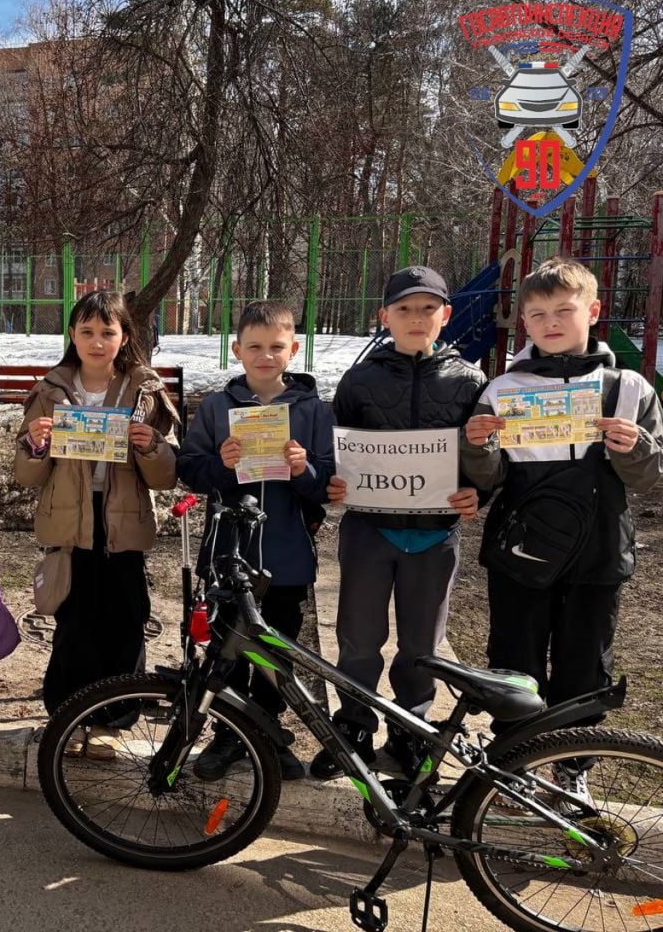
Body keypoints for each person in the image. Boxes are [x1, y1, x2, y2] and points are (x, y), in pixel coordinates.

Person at [462, 257, 663, 795]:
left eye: (563, 311)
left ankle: (572, 770)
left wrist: (635, 449)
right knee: (514, 662)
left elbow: (649, 478)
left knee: (585, 665)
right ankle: (515, 765)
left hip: (599, 553)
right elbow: (488, 477)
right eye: (537, 314)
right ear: (523, 321)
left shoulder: (629, 388)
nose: (550, 322)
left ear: (593, 312)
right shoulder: (502, 389)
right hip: (520, 553)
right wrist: (476, 446)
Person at [311, 266, 484, 780]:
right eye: (404, 309)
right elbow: (337, 449)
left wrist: (480, 492)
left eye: (428, 308)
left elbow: (483, 457)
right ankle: (354, 727)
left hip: (436, 535)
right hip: (370, 531)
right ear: (384, 316)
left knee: (421, 647)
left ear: (445, 315)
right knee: (359, 640)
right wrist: (334, 481)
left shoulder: (470, 382)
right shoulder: (359, 379)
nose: (416, 318)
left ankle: (412, 731)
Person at [14, 291, 179, 760]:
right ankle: (69, 718)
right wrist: (36, 444)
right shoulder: (50, 391)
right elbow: (27, 474)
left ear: (125, 336)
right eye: (86, 331)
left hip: (124, 525)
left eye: (108, 332)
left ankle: (112, 722)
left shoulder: (145, 391)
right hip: (70, 525)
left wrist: (151, 446)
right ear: (72, 335)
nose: (97, 341)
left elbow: (166, 476)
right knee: (74, 625)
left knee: (124, 623)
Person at [177, 301, 334, 781]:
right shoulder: (217, 407)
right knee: (227, 647)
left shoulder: (313, 410)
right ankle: (230, 734)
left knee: (276, 649)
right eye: (255, 347)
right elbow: (190, 470)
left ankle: (267, 731)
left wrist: (302, 469)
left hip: (287, 554)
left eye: (276, 347)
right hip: (228, 551)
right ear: (237, 350)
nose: (266, 356)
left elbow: (328, 484)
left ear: (294, 350)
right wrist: (221, 464)